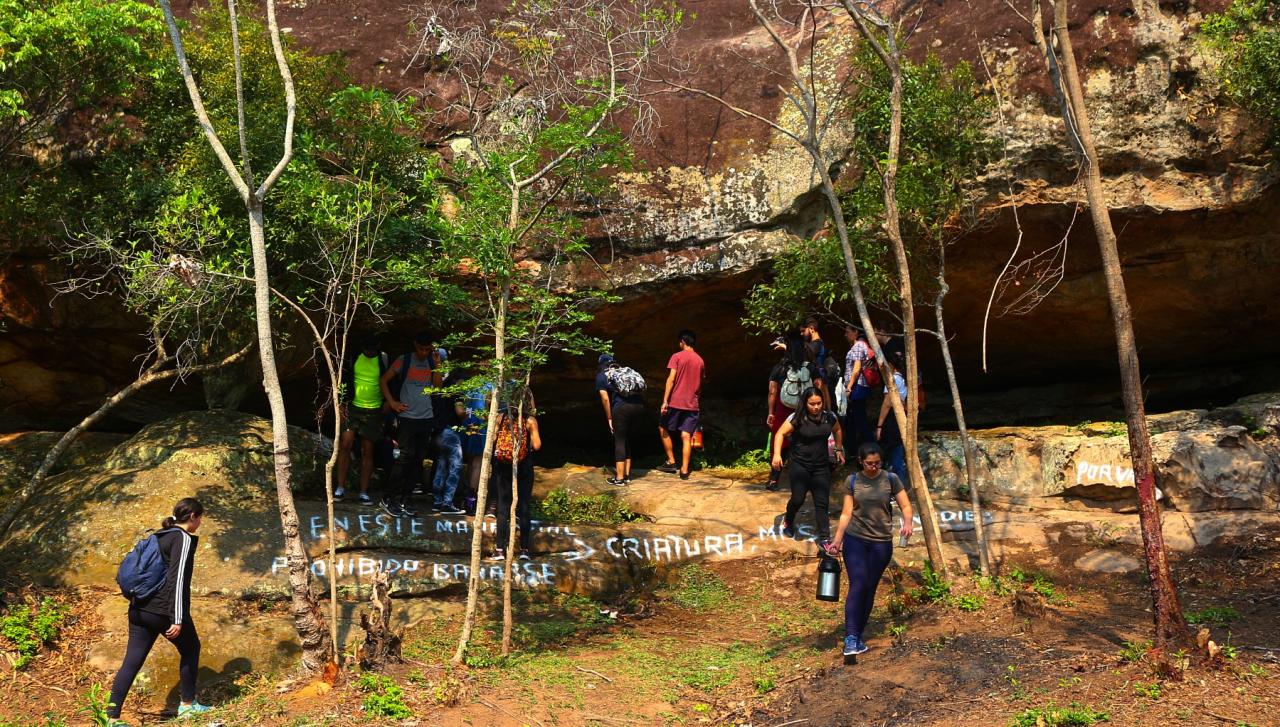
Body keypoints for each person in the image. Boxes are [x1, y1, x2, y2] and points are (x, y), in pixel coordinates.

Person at [107, 498, 211, 723]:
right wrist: (177, 617)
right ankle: (188, 705)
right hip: (162, 611)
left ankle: (110, 718)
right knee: (192, 648)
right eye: (200, 517)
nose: (201, 522)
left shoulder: (159, 535)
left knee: (132, 661)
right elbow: (178, 580)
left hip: (139, 608)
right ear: (192, 516)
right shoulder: (182, 538)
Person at [826, 442, 913, 657]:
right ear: (861, 462)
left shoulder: (891, 479)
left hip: (881, 543)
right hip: (856, 539)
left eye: (876, 463)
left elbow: (906, 506)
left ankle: (858, 633)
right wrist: (837, 540)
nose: (873, 467)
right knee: (858, 584)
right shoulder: (853, 481)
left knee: (870, 587)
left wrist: (908, 522)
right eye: (869, 463)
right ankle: (851, 637)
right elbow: (846, 513)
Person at [379, 332, 444, 517]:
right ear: (415, 345)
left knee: (418, 460)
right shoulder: (404, 360)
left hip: (426, 417)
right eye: (421, 349)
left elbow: (438, 388)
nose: (424, 353)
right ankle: (388, 498)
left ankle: (406, 499)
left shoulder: (432, 362)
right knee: (405, 457)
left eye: (427, 349)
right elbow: (384, 380)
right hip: (407, 417)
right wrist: (392, 402)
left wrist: (438, 363)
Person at [771, 387, 844, 547]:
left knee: (822, 502)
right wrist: (777, 454)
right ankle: (789, 521)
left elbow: (837, 429)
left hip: (821, 466)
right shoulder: (797, 417)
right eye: (812, 404)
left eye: (819, 403)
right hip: (800, 465)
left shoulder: (829, 417)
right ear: (805, 403)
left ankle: (825, 538)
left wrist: (839, 449)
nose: (816, 407)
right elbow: (780, 434)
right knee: (798, 498)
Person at [489, 390, 542, 561]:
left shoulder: (501, 418)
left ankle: (499, 550)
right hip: (524, 466)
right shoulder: (530, 420)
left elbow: (493, 439)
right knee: (524, 506)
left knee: (503, 508)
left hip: (503, 466)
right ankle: (524, 550)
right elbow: (537, 445)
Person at [766, 333, 823, 490]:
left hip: (783, 408)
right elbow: (818, 386)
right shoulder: (811, 368)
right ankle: (808, 479)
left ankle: (774, 479)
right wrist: (818, 407)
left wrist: (771, 412)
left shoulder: (780, 368)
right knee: (806, 439)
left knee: (780, 439)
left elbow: (772, 391)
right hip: (805, 409)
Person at [335, 334, 386, 506]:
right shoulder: (354, 356)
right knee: (345, 445)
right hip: (352, 406)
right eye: (367, 349)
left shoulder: (383, 358)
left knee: (367, 450)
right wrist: (341, 403)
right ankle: (340, 488)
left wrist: (388, 404)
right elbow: (343, 379)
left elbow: (388, 381)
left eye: (373, 349)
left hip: (374, 409)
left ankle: (363, 492)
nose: (370, 352)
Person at [658, 329, 705, 480]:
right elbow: (699, 386)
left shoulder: (677, 357)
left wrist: (665, 400)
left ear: (682, 342)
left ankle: (671, 462)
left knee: (662, 427)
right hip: (692, 404)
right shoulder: (700, 360)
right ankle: (684, 471)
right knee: (686, 435)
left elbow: (671, 379)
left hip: (676, 402)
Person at [596, 354, 645, 486]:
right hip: (639, 407)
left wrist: (609, 417)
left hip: (622, 409)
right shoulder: (624, 371)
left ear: (601, 365)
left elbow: (605, 398)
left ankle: (619, 478)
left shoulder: (602, 376)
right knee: (626, 439)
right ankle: (627, 475)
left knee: (619, 440)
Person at [430, 365, 468, 515]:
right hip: (451, 434)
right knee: (455, 467)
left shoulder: (441, 391)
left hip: (438, 433)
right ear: (458, 380)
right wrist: (467, 413)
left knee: (441, 466)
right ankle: (447, 503)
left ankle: (437, 501)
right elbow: (460, 411)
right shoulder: (457, 392)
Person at [875, 349, 911, 486]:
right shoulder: (903, 378)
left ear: (890, 364)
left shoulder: (893, 379)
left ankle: (895, 487)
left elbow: (887, 403)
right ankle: (898, 486)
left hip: (891, 420)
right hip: (900, 418)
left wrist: (879, 426)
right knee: (896, 453)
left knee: (891, 454)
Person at [842, 325, 875, 451]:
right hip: (857, 387)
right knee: (852, 419)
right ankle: (853, 449)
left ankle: (872, 449)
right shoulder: (858, 346)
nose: (845, 335)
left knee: (860, 419)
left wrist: (849, 387)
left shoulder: (858, 346)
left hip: (857, 387)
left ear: (856, 332)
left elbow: (856, 369)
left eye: (847, 332)